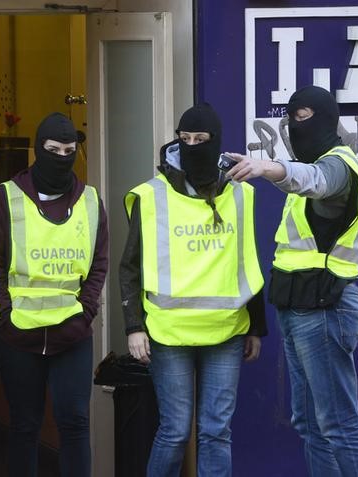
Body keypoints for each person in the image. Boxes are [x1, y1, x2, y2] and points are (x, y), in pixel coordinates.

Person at [226, 85, 358, 476]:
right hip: (298, 308)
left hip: (326, 309)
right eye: (291, 117)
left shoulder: (339, 166)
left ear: (327, 118)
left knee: (338, 424)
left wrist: (266, 167)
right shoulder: (315, 166)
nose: (296, 125)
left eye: (304, 115)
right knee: (310, 425)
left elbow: (315, 181)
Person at [120, 103, 266, 477]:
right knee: (174, 431)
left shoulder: (240, 193)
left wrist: (255, 327)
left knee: (216, 431)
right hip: (169, 333)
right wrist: (133, 326)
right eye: (185, 139)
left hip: (227, 330)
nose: (192, 145)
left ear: (216, 143)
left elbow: (247, 260)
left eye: (201, 140)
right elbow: (130, 266)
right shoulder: (151, 196)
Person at [0, 112, 108, 477]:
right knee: (24, 426)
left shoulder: (89, 201)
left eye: (69, 150)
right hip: (16, 336)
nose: (61, 156)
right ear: (38, 149)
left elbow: (99, 262)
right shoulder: (5, 198)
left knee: (75, 423)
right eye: (53, 149)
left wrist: (85, 314)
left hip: (71, 335)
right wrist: (5, 316)